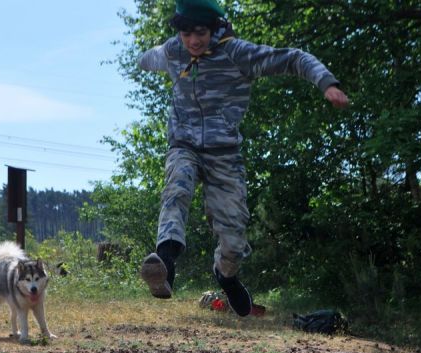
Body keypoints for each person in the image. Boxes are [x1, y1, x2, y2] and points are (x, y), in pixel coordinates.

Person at [138, 0, 348, 316]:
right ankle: (165, 263)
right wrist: (149, 58)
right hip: (183, 145)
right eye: (186, 34)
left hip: (225, 154)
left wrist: (326, 83)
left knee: (233, 237)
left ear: (213, 29)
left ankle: (226, 276)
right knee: (176, 188)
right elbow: (146, 59)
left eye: (201, 33)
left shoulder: (238, 54)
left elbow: (293, 58)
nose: (194, 41)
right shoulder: (174, 51)